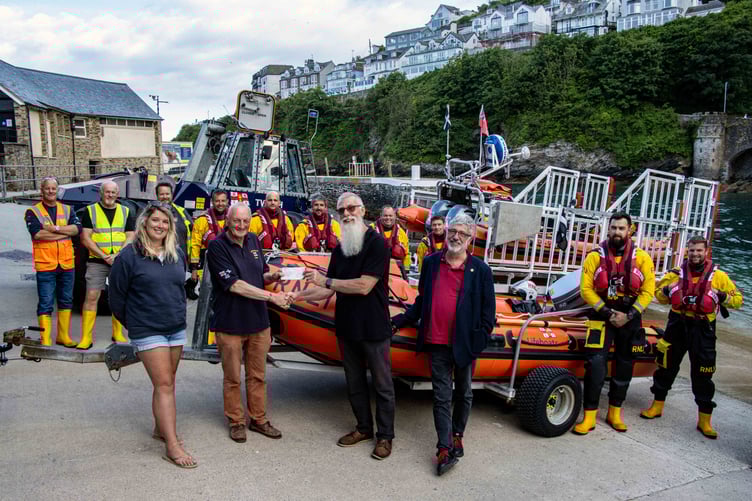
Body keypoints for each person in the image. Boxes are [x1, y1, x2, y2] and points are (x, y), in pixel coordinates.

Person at [391, 213, 495, 476]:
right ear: (446, 232)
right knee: (441, 397)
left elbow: (487, 313)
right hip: (436, 340)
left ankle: (457, 433)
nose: (456, 236)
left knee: (465, 393)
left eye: (462, 233)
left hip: (465, 342)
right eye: (453, 231)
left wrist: (479, 339)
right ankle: (444, 447)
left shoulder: (481, 270)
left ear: (471, 238)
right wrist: (399, 320)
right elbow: (422, 300)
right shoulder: (431, 263)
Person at [295, 192, 396, 461]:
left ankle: (385, 437)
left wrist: (325, 282)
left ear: (363, 210)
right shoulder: (341, 249)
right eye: (342, 211)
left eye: (352, 208)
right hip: (347, 327)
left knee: (383, 385)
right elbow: (326, 290)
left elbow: (364, 286)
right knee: (354, 383)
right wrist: (297, 297)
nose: (347, 214)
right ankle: (363, 428)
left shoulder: (377, 244)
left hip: (374, 327)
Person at [108, 202, 197, 469]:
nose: (160, 225)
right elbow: (116, 297)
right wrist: (134, 323)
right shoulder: (129, 257)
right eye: (155, 220)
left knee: (167, 382)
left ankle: (161, 428)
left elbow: (179, 288)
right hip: (148, 330)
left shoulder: (176, 253)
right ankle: (172, 444)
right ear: (144, 223)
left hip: (175, 327)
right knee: (165, 385)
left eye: (165, 222)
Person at [206, 203, 293, 443]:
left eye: (245, 221)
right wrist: (272, 297)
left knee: (258, 375)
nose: (241, 225)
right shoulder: (216, 246)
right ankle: (236, 421)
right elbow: (234, 284)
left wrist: (271, 276)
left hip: (258, 322)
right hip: (230, 323)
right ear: (228, 221)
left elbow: (259, 273)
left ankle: (259, 419)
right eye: (237, 221)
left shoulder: (254, 240)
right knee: (232, 377)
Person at [641, 235, 743, 438]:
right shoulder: (676, 274)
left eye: (699, 250)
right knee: (665, 367)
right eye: (692, 250)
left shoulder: (719, 277)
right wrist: (668, 291)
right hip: (677, 324)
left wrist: (721, 296)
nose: (695, 254)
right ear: (687, 251)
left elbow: (738, 300)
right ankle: (657, 406)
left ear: (706, 252)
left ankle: (704, 421)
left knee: (703, 374)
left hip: (703, 329)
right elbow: (659, 296)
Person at [573, 211, 655, 435]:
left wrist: (628, 316)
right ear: (608, 229)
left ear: (630, 230)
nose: (617, 232)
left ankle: (615, 412)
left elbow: (648, 291)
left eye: (621, 228)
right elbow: (586, 289)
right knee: (595, 364)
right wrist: (608, 312)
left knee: (625, 364)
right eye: (614, 228)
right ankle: (589, 415)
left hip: (630, 316)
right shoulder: (594, 257)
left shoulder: (643, 259)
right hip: (602, 314)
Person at [77, 180, 136, 349]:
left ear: (117, 194)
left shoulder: (126, 211)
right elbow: (85, 238)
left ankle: (117, 333)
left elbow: (130, 236)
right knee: (92, 296)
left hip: (118, 261)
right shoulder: (90, 211)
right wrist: (103, 255)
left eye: (113, 192)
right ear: (101, 193)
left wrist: (117, 255)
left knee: (118, 296)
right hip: (97, 260)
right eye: (107, 192)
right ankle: (86, 338)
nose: (110, 195)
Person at [24, 176, 81, 347]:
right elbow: (38, 234)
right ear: (42, 190)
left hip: (66, 263)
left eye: (53, 189)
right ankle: (45, 339)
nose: (50, 191)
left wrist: (55, 229)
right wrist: (66, 233)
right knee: (46, 302)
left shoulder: (67, 209)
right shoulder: (33, 212)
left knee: (66, 300)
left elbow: (77, 229)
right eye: (47, 188)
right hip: (46, 264)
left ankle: (63, 336)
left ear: (57, 190)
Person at [190, 189, 228, 344]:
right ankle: (209, 338)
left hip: (227, 267)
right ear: (212, 202)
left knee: (224, 303)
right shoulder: (201, 221)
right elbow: (195, 245)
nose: (220, 204)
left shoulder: (232, 220)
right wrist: (194, 268)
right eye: (217, 201)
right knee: (207, 304)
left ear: (227, 202)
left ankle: (221, 335)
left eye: (223, 201)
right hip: (206, 268)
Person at [371, 206, 410, 278]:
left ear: (395, 216)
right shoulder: (371, 230)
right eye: (385, 215)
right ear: (381, 216)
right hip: (374, 270)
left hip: (395, 272)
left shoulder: (401, 233)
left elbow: (406, 254)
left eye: (390, 215)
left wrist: (406, 271)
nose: (388, 218)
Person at [155, 182, 192, 257]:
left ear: (171, 195)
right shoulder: (152, 213)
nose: (165, 197)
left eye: (167, 194)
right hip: (160, 257)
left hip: (182, 257)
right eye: (162, 194)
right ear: (157, 196)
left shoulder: (182, 211)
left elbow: (193, 231)